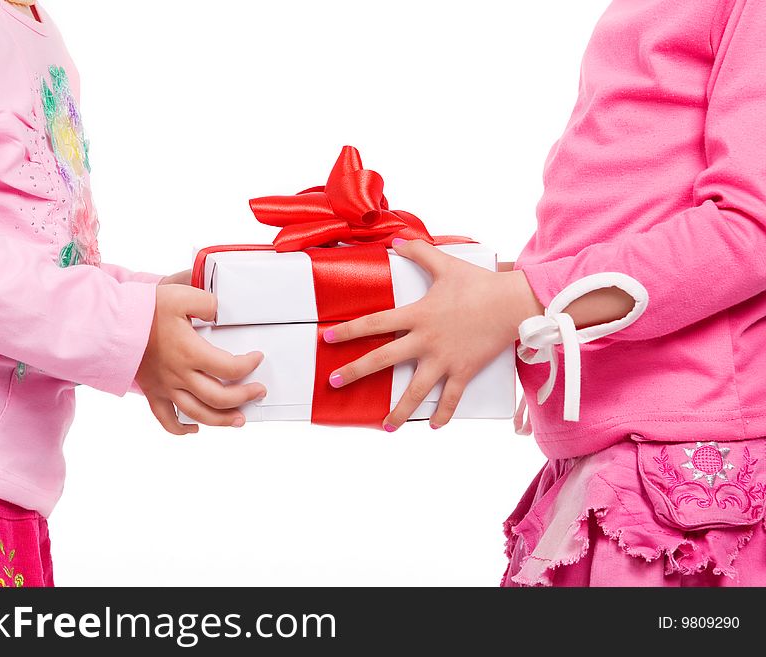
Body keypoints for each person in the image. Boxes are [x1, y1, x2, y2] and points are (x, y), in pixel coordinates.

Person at [326, 0, 766, 585]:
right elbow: (623, 209)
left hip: (697, 464)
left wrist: (515, 302)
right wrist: (478, 290)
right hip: (621, 450)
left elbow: (751, 227)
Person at [0, 0, 265, 587]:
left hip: (4, 491)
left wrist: (149, 309)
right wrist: (128, 326)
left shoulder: (38, 33)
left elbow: (38, 255)